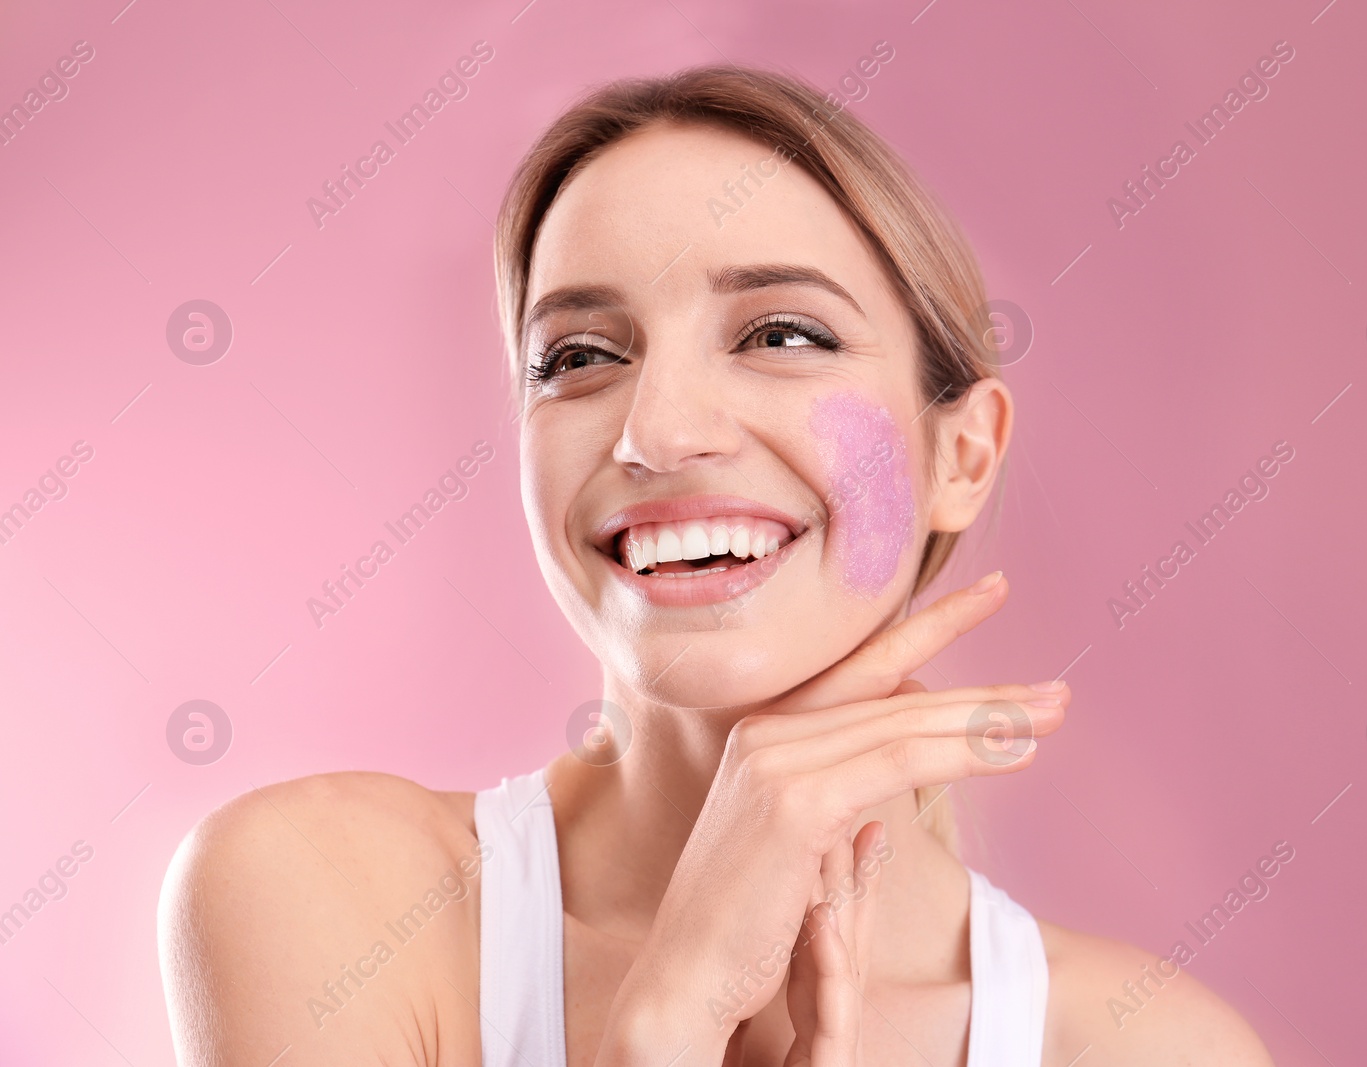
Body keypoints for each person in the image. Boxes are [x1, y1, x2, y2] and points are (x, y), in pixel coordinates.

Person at [158, 64, 1273, 1066]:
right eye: (578, 357)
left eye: (782, 334)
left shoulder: (1143, 1045)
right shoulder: (325, 899)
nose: (658, 429)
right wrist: (664, 1023)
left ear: (961, 454)